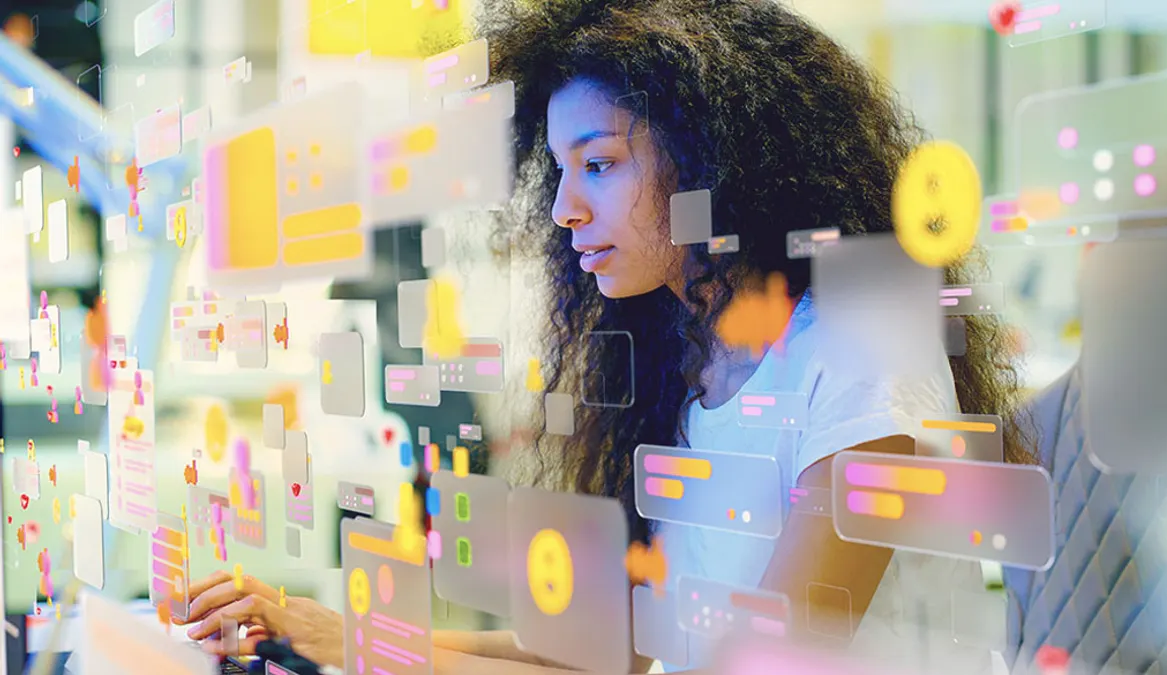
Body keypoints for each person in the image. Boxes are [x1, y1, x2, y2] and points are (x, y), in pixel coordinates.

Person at [180, 0, 1036, 671]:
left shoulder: (863, 335)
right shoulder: (683, 357)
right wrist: (329, 632)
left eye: (600, 164)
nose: (564, 210)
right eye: (559, 171)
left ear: (713, 156)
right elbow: (600, 653)